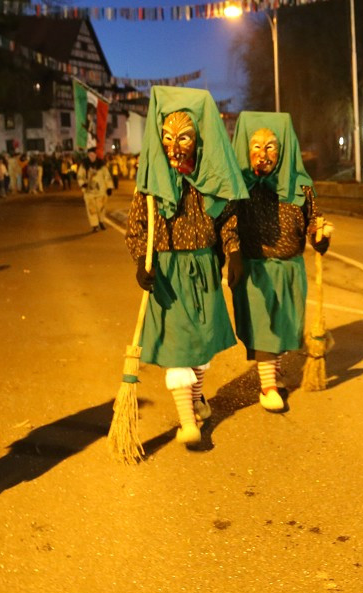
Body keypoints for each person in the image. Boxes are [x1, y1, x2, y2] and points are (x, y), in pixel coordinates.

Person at [124, 86, 248, 445]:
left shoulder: (210, 177)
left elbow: (227, 217)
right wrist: (140, 260)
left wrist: (234, 249)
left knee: (201, 346)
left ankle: (195, 400)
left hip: (204, 267)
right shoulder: (149, 183)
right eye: (167, 137)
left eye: (184, 138)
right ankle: (188, 420)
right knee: (180, 347)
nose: (174, 146)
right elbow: (136, 227)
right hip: (167, 273)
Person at [223, 111, 329, 412]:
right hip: (256, 268)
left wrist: (320, 236)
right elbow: (228, 222)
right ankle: (268, 385)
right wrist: (233, 253)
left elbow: (313, 219)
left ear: (283, 150)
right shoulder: (239, 187)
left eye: (270, 146)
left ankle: (274, 372)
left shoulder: (300, 185)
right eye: (256, 146)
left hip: (290, 268)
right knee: (263, 327)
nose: (263, 153)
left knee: (283, 327)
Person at [78, 151, 111, 232]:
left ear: (96, 155)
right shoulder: (84, 166)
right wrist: (82, 184)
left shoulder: (102, 166)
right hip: (89, 191)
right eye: (90, 155)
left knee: (101, 208)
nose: (92, 156)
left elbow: (107, 176)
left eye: (93, 155)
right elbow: (80, 176)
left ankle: (101, 221)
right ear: (88, 155)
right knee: (91, 209)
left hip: (101, 191)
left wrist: (109, 187)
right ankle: (94, 225)